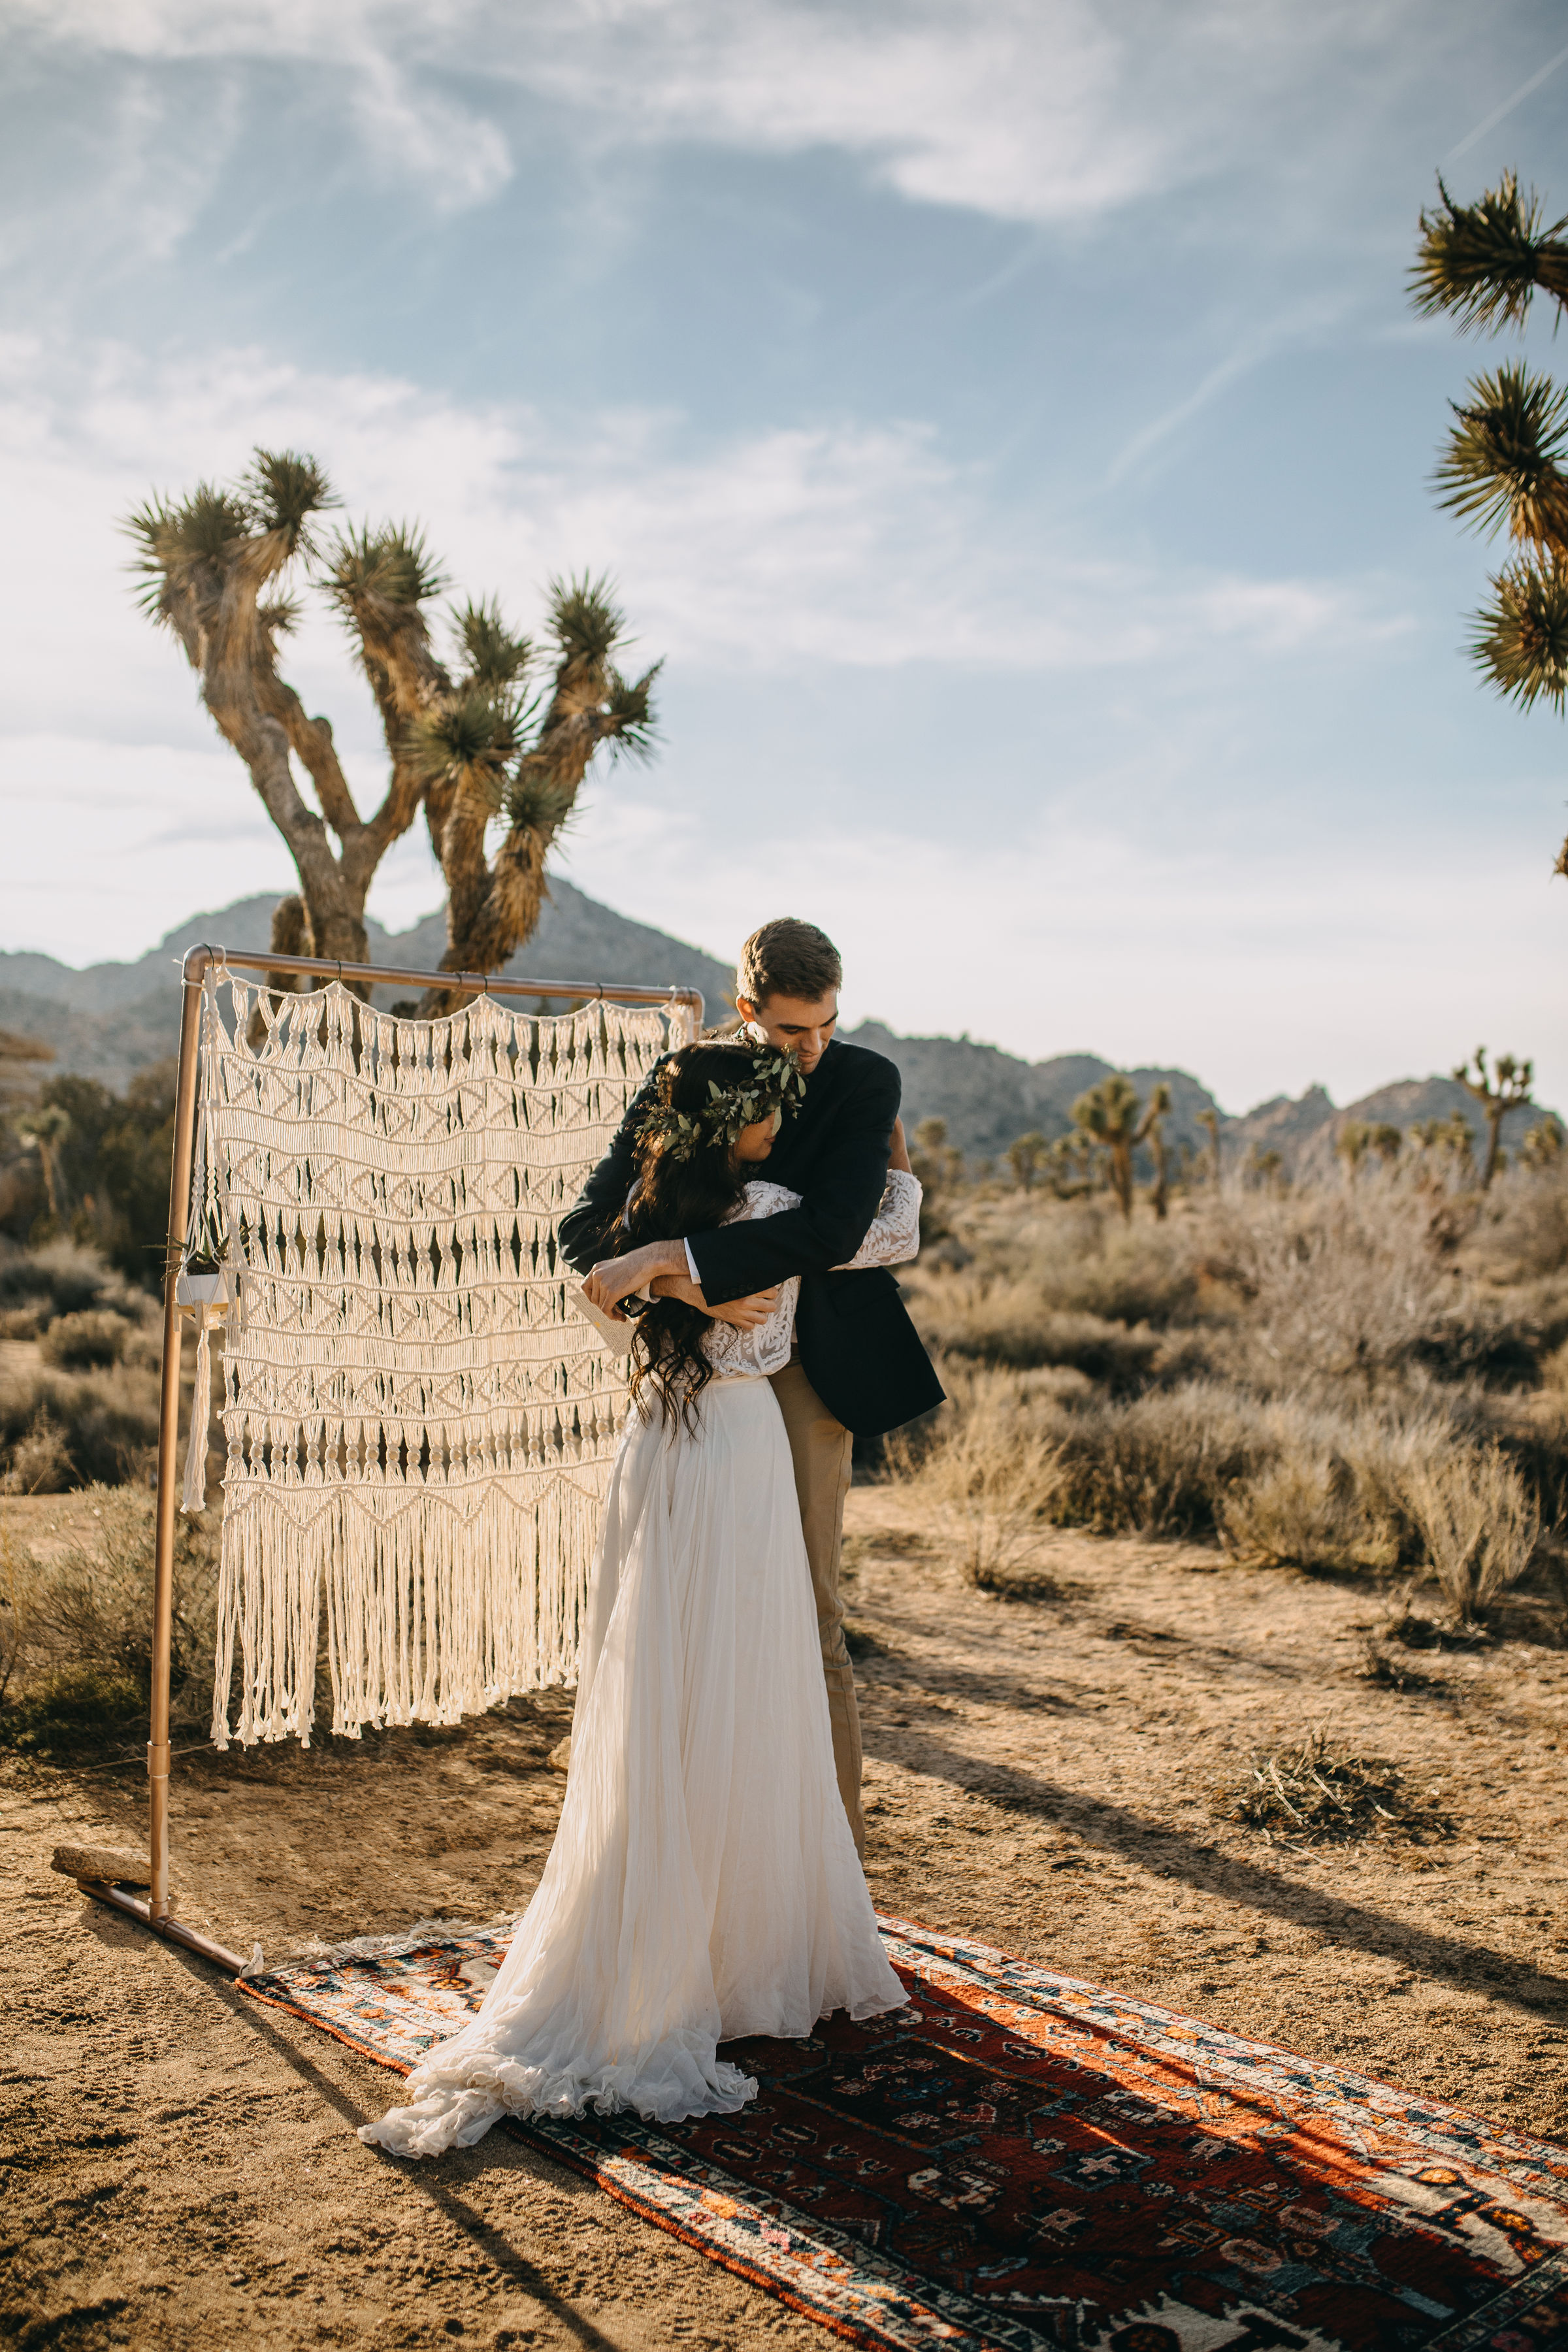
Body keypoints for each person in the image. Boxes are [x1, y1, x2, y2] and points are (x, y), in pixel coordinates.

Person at [361, 1039, 919, 2157]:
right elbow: (882, 1228)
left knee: (661, 1675)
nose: (783, 1123)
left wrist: (656, 1268)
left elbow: (599, 1293)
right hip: (739, 1453)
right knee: (744, 1677)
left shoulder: (645, 1222)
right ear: (741, 1131)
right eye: (767, 1112)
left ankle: (675, 1922)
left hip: (658, 1444)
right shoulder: (768, 1206)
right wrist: (897, 1159)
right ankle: (734, 1944)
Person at [567, 918, 944, 1854]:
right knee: (684, 1611)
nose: (812, 1049)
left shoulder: (865, 1082)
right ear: (746, 1011)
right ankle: (688, 1849)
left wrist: (670, 1252)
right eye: (788, 1032)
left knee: (806, 1613)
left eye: (825, 1025)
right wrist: (667, 1277)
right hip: (697, 1378)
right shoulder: (684, 1080)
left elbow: (832, 1232)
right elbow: (586, 1231)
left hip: (812, 1375)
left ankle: (827, 1868)